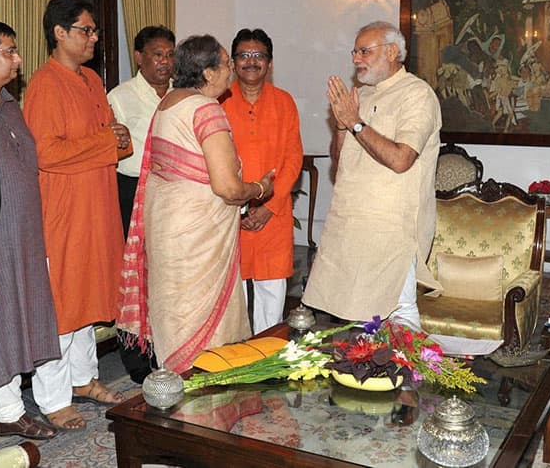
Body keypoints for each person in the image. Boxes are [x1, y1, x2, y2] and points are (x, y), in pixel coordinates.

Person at [117, 34, 273, 374]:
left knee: (175, 313)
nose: (231, 70)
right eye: (226, 64)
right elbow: (228, 188)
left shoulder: (169, 102)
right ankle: (202, 405)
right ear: (207, 72)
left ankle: (174, 390)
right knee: (203, 328)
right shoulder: (206, 110)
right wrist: (260, 188)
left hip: (168, 231)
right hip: (199, 242)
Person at [23, 0, 130, 431]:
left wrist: (114, 139)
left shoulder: (90, 79)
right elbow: (46, 153)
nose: (94, 37)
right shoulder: (45, 85)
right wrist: (109, 142)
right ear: (59, 33)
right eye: (86, 30)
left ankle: (84, 379)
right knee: (64, 303)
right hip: (64, 212)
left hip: (97, 206)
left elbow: (119, 138)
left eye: (94, 30)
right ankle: (52, 396)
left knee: (89, 297)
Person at [302, 21, 441, 328]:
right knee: (351, 318)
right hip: (349, 223)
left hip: (392, 228)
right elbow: (340, 166)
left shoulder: (417, 95)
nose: (356, 59)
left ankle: (407, 375)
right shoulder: (360, 97)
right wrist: (341, 125)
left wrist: (355, 123)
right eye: (354, 51)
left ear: (392, 52)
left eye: (365, 51)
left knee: (397, 314)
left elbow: (401, 159)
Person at [0, 20, 60, 440]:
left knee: (26, 313)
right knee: (1, 321)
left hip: (25, 229)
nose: (18, 60)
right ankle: (5, 409)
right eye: (9, 51)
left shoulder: (7, 102)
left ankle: (14, 403)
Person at [221, 28, 303, 333]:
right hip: (231, 214)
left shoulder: (284, 102)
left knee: (272, 292)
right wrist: (240, 207)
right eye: (244, 55)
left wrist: (271, 206)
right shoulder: (219, 103)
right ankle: (237, 357)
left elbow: (293, 158)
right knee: (233, 296)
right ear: (232, 62)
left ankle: (267, 358)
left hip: (274, 213)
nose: (251, 62)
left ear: (269, 63)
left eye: (259, 56)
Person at [107, 24, 175, 383]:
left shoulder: (182, 95)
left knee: (166, 272)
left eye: (169, 55)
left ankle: (167, 347)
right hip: (131, 190)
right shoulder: (121, 96)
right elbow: (112, 148)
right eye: (156, 54)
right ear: (139, 57)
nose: (164, 62)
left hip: (171, 193)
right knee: (136, 275)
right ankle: (135, 359)